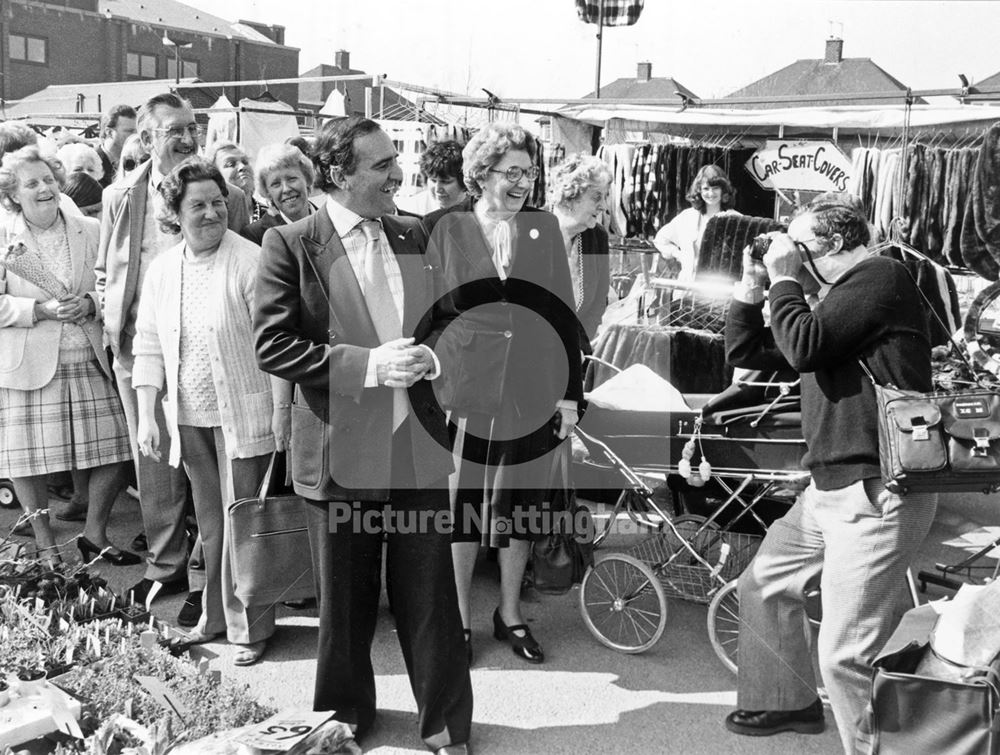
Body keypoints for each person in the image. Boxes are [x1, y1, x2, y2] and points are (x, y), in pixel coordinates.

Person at [253, 116, 472, 754]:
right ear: (340, 174)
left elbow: (451, 322)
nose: (397, 174)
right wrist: (368, 365)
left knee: (430, 597)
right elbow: (274, 344)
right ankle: (343, 723)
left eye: (393, 162)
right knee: (344, 610)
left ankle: (445, 725)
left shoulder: (413, 232)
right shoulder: (290, 243)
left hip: (416, 450)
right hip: (339, 453)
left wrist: (433, 358)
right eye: (380, 165)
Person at [722, 193, 938, 753]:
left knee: (845, 654)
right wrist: (751, 294)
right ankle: (785, 701)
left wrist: (783, 280)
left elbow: (803, 347)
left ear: (836, 244)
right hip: (827, 490)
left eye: (801, 246)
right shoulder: (835, 299)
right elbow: (753, 349)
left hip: (876, 491)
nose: (791, 256)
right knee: (763, 585)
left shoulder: (880, 276)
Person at [423, 122, 583, 667]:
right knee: (463, 507)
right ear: (481, 174)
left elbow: (563, 313)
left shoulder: (542, 228)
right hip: (465, 389)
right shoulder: (443, 228)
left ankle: (510, 612)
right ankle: (459, 617)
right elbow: (425, 314)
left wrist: (569, 396)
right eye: (511, 172)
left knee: (522, 508)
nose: (522, 183)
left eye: (528, 172)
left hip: (532, 389)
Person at [95, 92, 251, 612]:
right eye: (174, 130)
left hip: (210, 356)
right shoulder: (122, 195)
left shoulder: (225, 194)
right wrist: (110, 315)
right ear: (145, 140)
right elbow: (107, 270)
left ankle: (209, 577)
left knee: (212, 473)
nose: (188, 136)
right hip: (142, 352)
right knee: (156, 468)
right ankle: (166, 566)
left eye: (193, 125)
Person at [133, 157, 290, 666]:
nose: (210, 213)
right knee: (212, 523)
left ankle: (251, 628)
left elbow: (274, 345)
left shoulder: (251, 260)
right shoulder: (162, 268)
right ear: (174, 212)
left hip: (245, 415)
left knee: (246, 520)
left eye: (218, 202)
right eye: (196, 204)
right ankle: (215, 619)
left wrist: (281, 410)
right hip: (189, 417)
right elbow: (149, 344)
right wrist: (145, 414)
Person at [0, 146, 134, 566]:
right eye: (32, 183)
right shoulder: (4, 238)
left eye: (49, 180)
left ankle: (94, 534)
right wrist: (37, 310)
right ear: (13, 195)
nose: (45, 189)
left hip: (89, 354)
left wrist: (92, 303)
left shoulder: (89, 228)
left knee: (118, 447)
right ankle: (44, 542)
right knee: (28, 458)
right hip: (29, 361)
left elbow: (114, 285)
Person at [549, 153, 613, 349]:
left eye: (605, 197)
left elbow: (598, 302)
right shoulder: (531, 232)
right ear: (570, 195)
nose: (603, 205)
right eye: (596, 197)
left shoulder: (597, 237)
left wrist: (577, 344)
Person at [651, 164, 739, 282]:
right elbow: (660, 240)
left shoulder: (735, 219)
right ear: (699, 190)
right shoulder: (688, 216)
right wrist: (679, 255)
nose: (711, 193)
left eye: (715, 188)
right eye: (706, 189)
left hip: (721, 289)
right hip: (687, 286)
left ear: (724, 190)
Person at [240, 143, 315, 246]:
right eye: (276, 184)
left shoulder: (331, 219)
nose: (286, 189)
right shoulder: (256, 236)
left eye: (292, 179)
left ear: (307, 179)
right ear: (267, 192)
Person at [396, 140, 468, 216]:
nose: (437, 189)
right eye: (433, 181)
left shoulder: (477, 210)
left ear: (463, 181)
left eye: (445, 182)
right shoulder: (412, 208)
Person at [207, 141, 267, 223]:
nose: (242, 167)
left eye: (245, 162)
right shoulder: (213, 218)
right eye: (231, 164)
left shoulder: (272, 216)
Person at [95, 105, 137, 188]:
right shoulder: (92, 164)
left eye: (137, 131)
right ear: (109, 132)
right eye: (130, 131)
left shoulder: (137, 160)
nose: (136, 136)